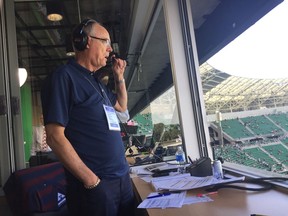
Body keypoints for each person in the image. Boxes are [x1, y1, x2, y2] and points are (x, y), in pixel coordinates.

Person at [41, 18, 135, 216]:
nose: (110, 49)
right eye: (106, 42)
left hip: (122, 181)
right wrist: (92, 181)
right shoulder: (64, 77)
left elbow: (122, 106)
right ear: (87, 41)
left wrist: (119, 76)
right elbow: (54, 137)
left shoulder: (97, 83)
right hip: (96, 187)